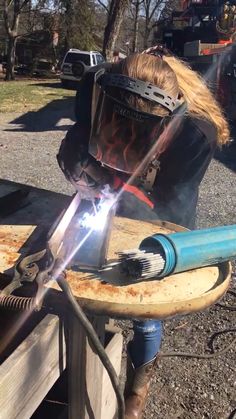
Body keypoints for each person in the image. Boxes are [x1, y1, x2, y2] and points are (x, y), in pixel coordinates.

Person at [57, 46, 230, 419]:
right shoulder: (93, 85)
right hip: (106, 183)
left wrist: (115, 187)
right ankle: (77, 352)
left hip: (154, 198)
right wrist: (77, 163)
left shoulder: (195, 134)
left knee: (144, 295)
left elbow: (170, 211)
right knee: (77, 265)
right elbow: (79, 136)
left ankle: (136, 389)